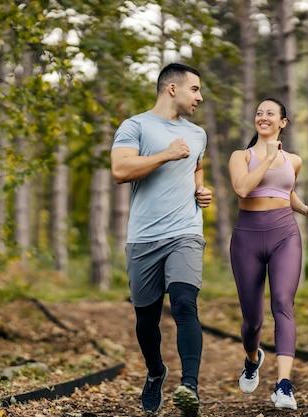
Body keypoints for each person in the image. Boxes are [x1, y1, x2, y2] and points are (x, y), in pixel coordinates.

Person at [110, 62, 212, 417]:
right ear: (173, 89)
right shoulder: (135, 126)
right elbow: (121, 171)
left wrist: (201, 189)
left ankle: (190, 388)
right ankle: (156, 372)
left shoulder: (198, 134)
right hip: (143, 237)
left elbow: (196, 165)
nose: (199, 97)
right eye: (195, 89)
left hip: (185, 232)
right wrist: (166, 154)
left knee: (185, 304)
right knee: (146, 319)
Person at [227, 98, 308, 410]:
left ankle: (284, 385)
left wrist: (305, 209)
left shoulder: (293, 160)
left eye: (270, 113)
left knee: (283, 303)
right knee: (252, 320)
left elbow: (287, 191)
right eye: (259, 112)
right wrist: (268, 158)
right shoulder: (240, 156)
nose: (263, 116)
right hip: (247, 238)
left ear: (283, 122)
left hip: (285, 234)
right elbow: (243, 189)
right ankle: (252, 360)